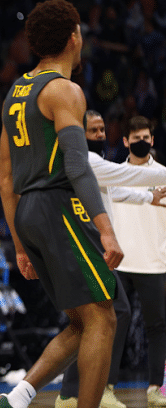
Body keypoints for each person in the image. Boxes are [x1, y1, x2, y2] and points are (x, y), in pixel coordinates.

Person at [0, 1, 124, 408]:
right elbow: (78, 166)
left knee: (82, 321)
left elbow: (5, 181)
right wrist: (106, 229)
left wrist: (19, 244)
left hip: (28, 214)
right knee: (104, 315)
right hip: (57, 208)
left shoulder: (14, 93)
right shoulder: (64, 90)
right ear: (73, 37)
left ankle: (15, 399)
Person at [56, 111, 166, 408]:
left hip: (105, 255)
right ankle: (92, 390)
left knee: (94, 322)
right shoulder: (88, 161)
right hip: (90, 253)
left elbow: (114, 191)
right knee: (110, 316)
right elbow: (127, 177)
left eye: (103, 129)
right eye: (94, 130)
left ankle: (72, 393)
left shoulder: (93, 164)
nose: (101, 135)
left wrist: (149, 198)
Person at [109, 116, 166, 407]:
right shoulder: (115, 174)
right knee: (113, 324)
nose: (141, 142)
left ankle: (155, 388)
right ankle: (106, 387)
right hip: (119, 262)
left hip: (154, 262)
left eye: (146, 137)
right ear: (126, 141)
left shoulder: (164, 175)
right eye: (136, 138)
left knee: (157, 327)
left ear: (152, 140)